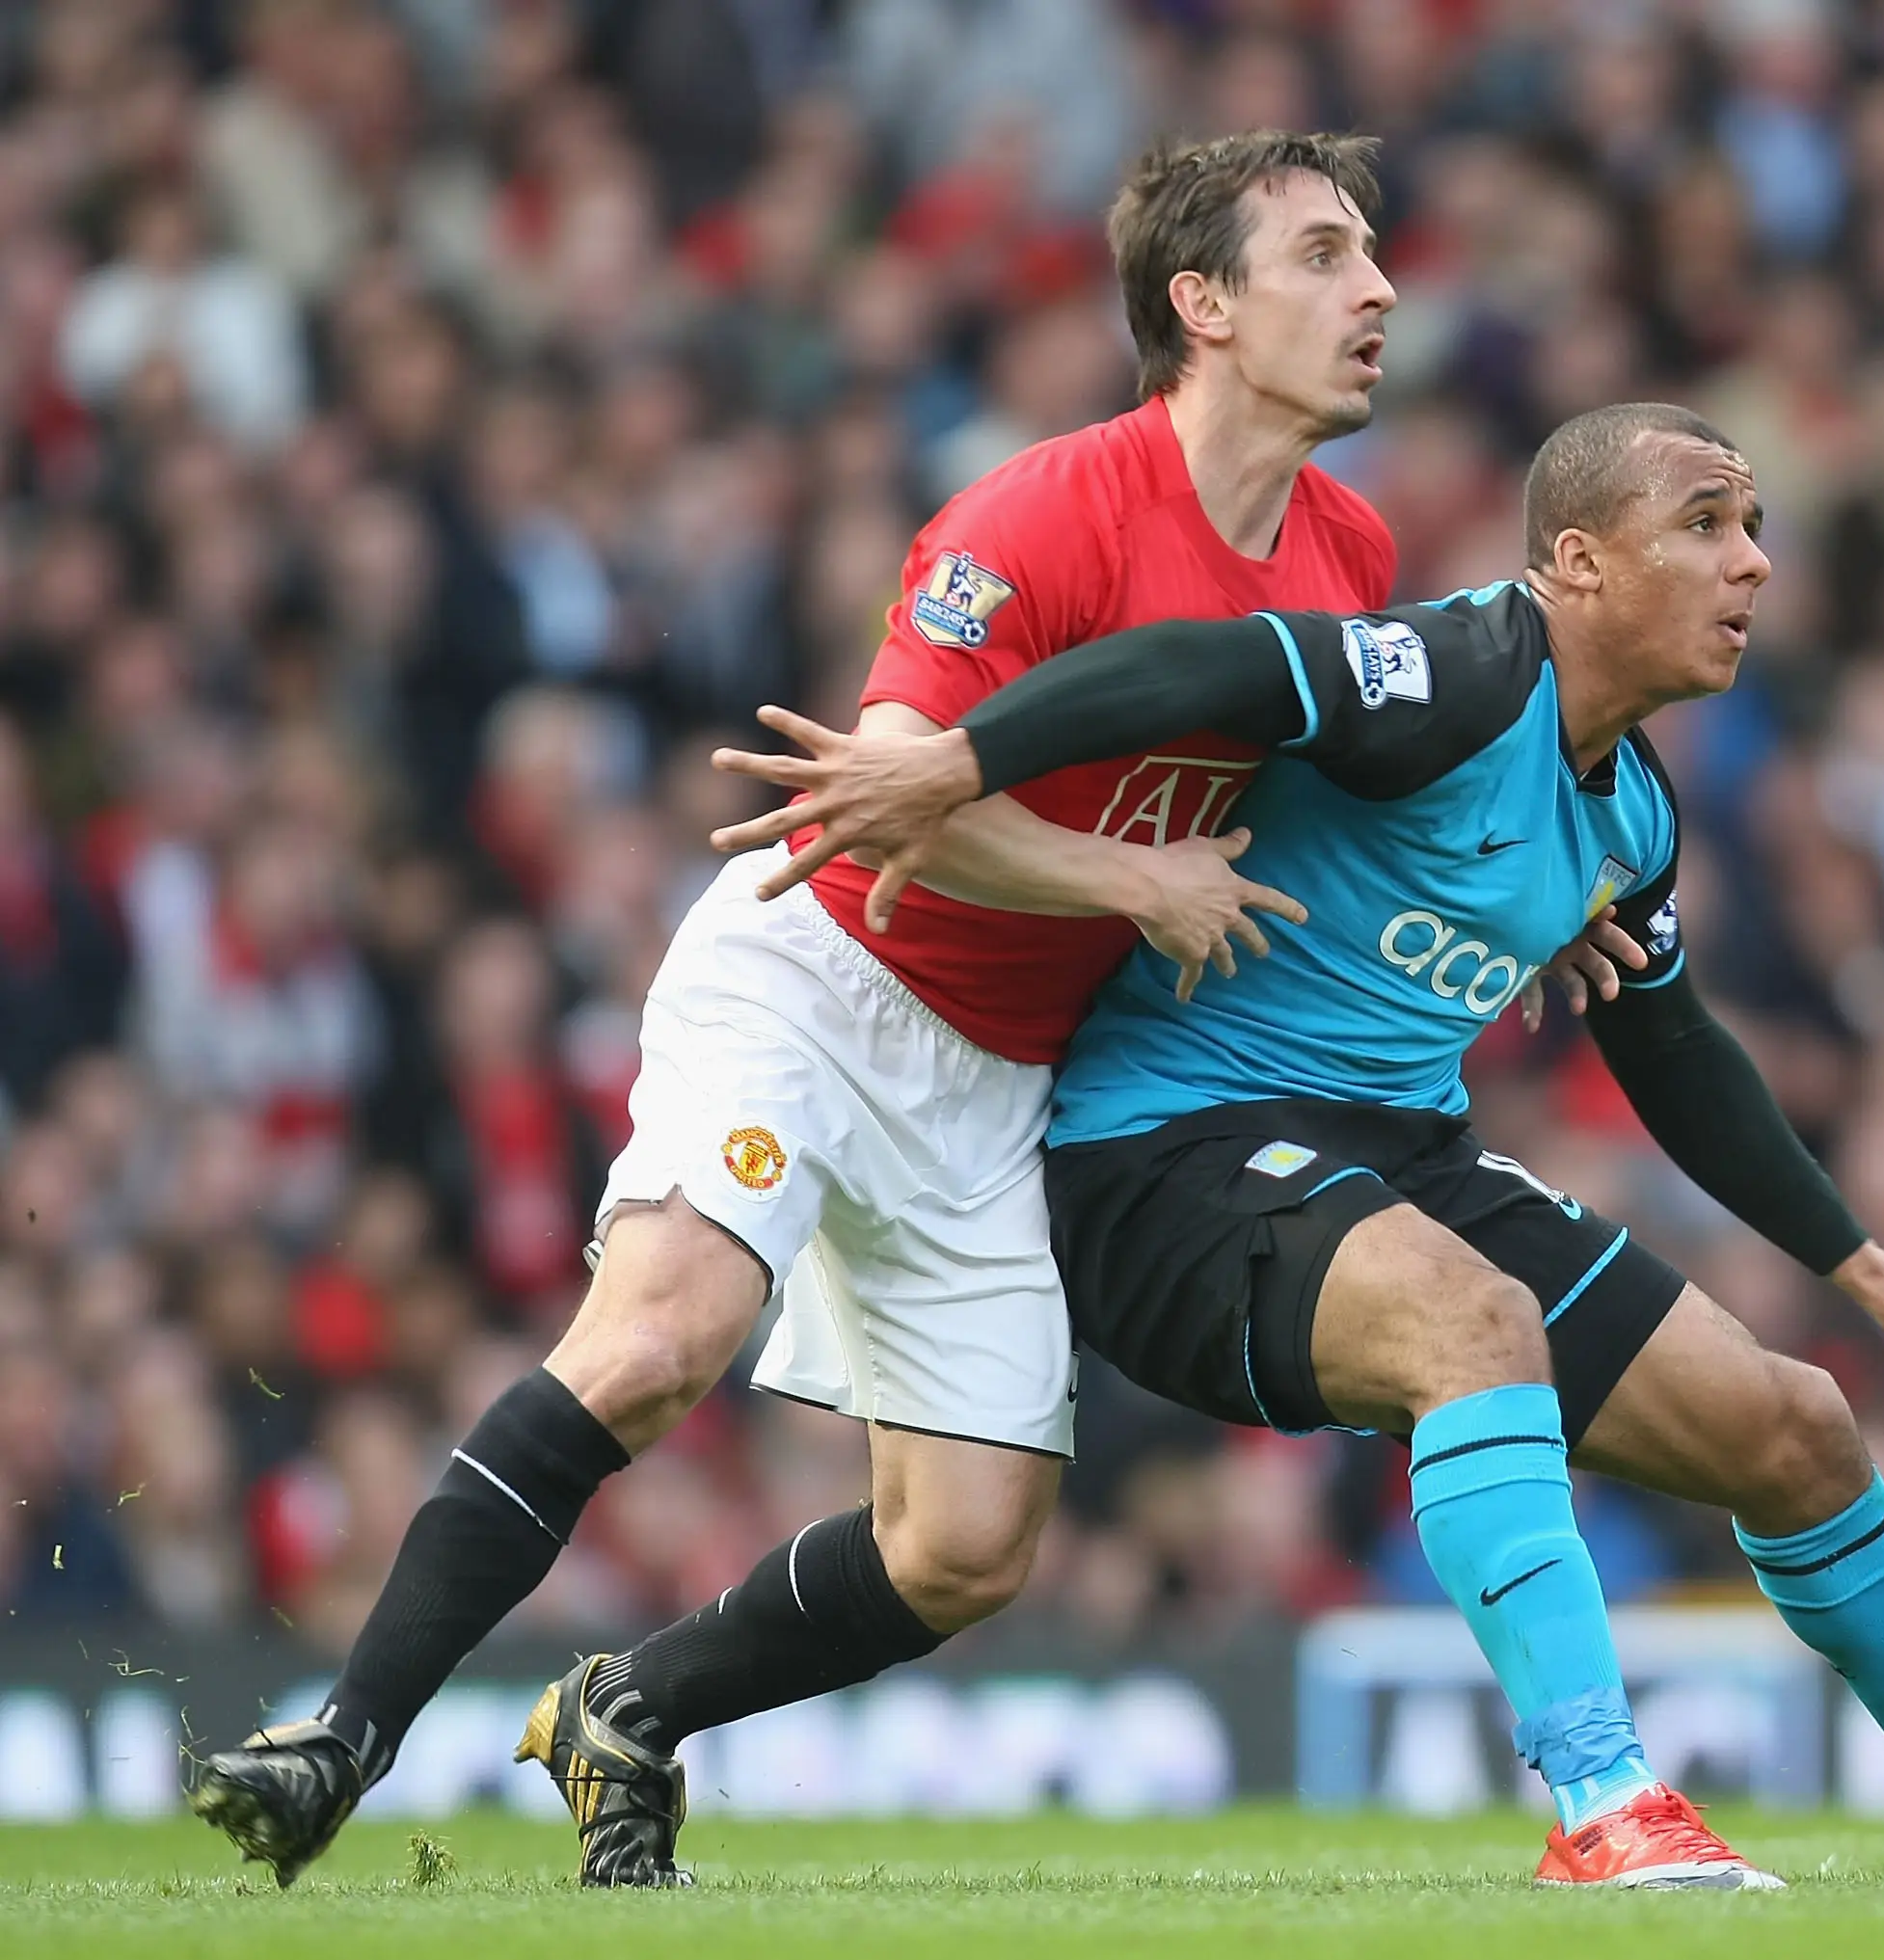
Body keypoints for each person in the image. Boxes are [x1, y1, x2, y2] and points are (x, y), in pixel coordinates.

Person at [721, 402, 1884, 1886]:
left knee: (1797, 1428)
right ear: (1574, 563)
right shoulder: (1452, 674)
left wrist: (1863, 1262)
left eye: (1757, 529)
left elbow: (1674, 1042)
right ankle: (1604, 1804)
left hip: (1393, 1157)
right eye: (1704, 525)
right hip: (1167, 1159)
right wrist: (952, 764)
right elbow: (1200, 663)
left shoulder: (1631, 808)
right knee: (1478, 1328)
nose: (1753, 565)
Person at [192, 129, 1443, 1891]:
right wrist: (1127, 884)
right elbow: (870, 806)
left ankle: (629, 1707)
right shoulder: (1039, 515)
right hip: (823, 977)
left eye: (1373, 254)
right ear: (1204, 305)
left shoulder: (1352, 545)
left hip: (1004, 1080)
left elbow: (1336, 804)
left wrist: (1539, 909)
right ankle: (344, 1733)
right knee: (654, 1342)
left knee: (967, 1547)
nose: (1379, 287)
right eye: (1325, 254)